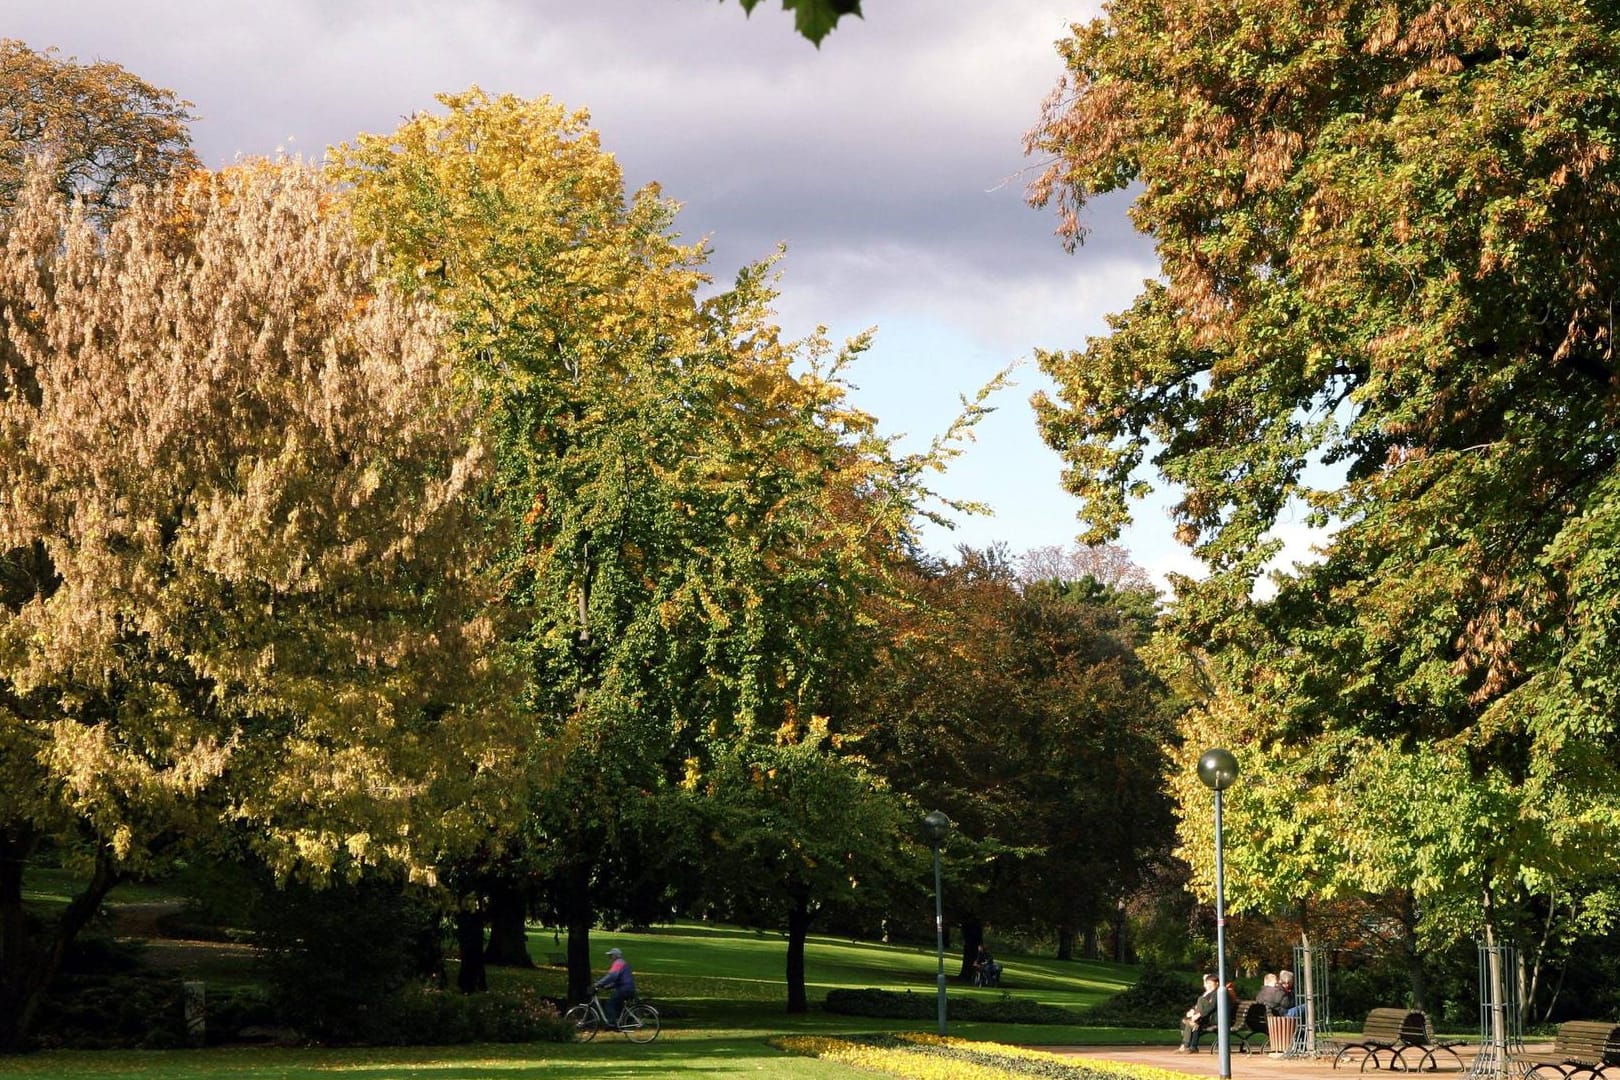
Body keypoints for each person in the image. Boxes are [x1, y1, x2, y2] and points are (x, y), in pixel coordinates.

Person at [1178, 973, 1221, 1052]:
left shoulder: (1218, 993)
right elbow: (1202, 1006)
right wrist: (1193, 1011)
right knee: (1190, 1023)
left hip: (1214, 1018)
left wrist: (1198, 1015)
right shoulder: (1211, 993)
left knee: (1193, 1021)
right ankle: (1188, 1046)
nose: (1208, 985)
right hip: (1206, 1017)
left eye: (1210, 983)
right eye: (1207, 983)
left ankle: (1186, 1045)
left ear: (1217, 983)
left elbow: (1212, 1007)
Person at [594, 946, 636, 1026]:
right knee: (619, 1005)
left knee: (610, 1004)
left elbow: (612, 976)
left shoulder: (618, 963)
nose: (609, 957)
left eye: (611, 955)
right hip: (629, 988)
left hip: (624, 989)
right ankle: (626, 1020)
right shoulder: (623, 963)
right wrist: (607, 987)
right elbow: (619, 980)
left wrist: (599, 983)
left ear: (615, 955)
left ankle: (612, 1024)